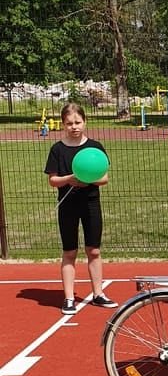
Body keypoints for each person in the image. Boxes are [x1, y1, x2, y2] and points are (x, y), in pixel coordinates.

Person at [44, 102, 118, 313]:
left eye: (77, 122)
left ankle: (98, 294)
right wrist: (69, 179)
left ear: (85, 122)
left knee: (93, 250)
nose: (74, 127)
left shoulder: (95, 147)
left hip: (90, 204)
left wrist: (88, 180)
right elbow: (53, 180)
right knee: (70, 251)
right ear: (63, 124)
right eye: (69, 123)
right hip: (67, 206)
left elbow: (104, 178)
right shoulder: (57, 149)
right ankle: (69, 298)